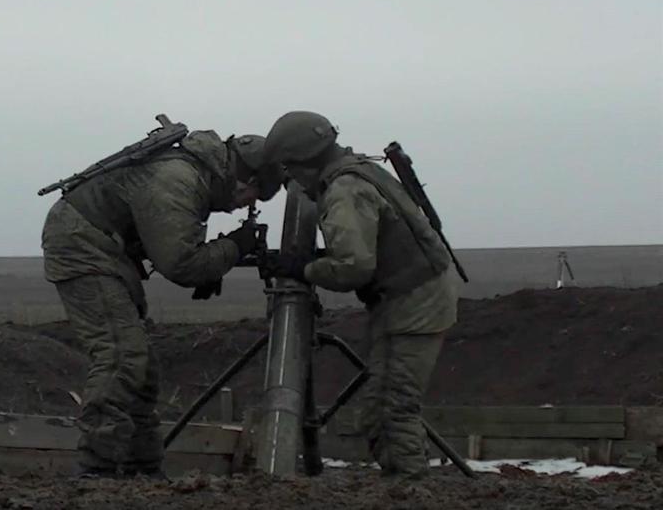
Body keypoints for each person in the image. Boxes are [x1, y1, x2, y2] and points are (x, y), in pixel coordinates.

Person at [41, 129, 281, 477]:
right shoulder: (179, 180)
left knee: (142, 365)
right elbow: (181, 265)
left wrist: (213, 262)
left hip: (109, 251)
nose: (244, 206)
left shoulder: (196, 177)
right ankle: (99, 469)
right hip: (84, 248)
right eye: (253, 198)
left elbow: (180, 249)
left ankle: (143, 467)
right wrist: (235, 247)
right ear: (246, 180)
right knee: (122, 356)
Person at [261, 111, 460, 478]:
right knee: (381, 409)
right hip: (409, 296)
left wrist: (303, 269)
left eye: (289, 168)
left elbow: (353, 266)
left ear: (304, 163)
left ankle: (409, 486)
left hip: (414, 302)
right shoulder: (357, 171)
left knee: (392, 410)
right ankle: (403, 480)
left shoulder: (345, 190)